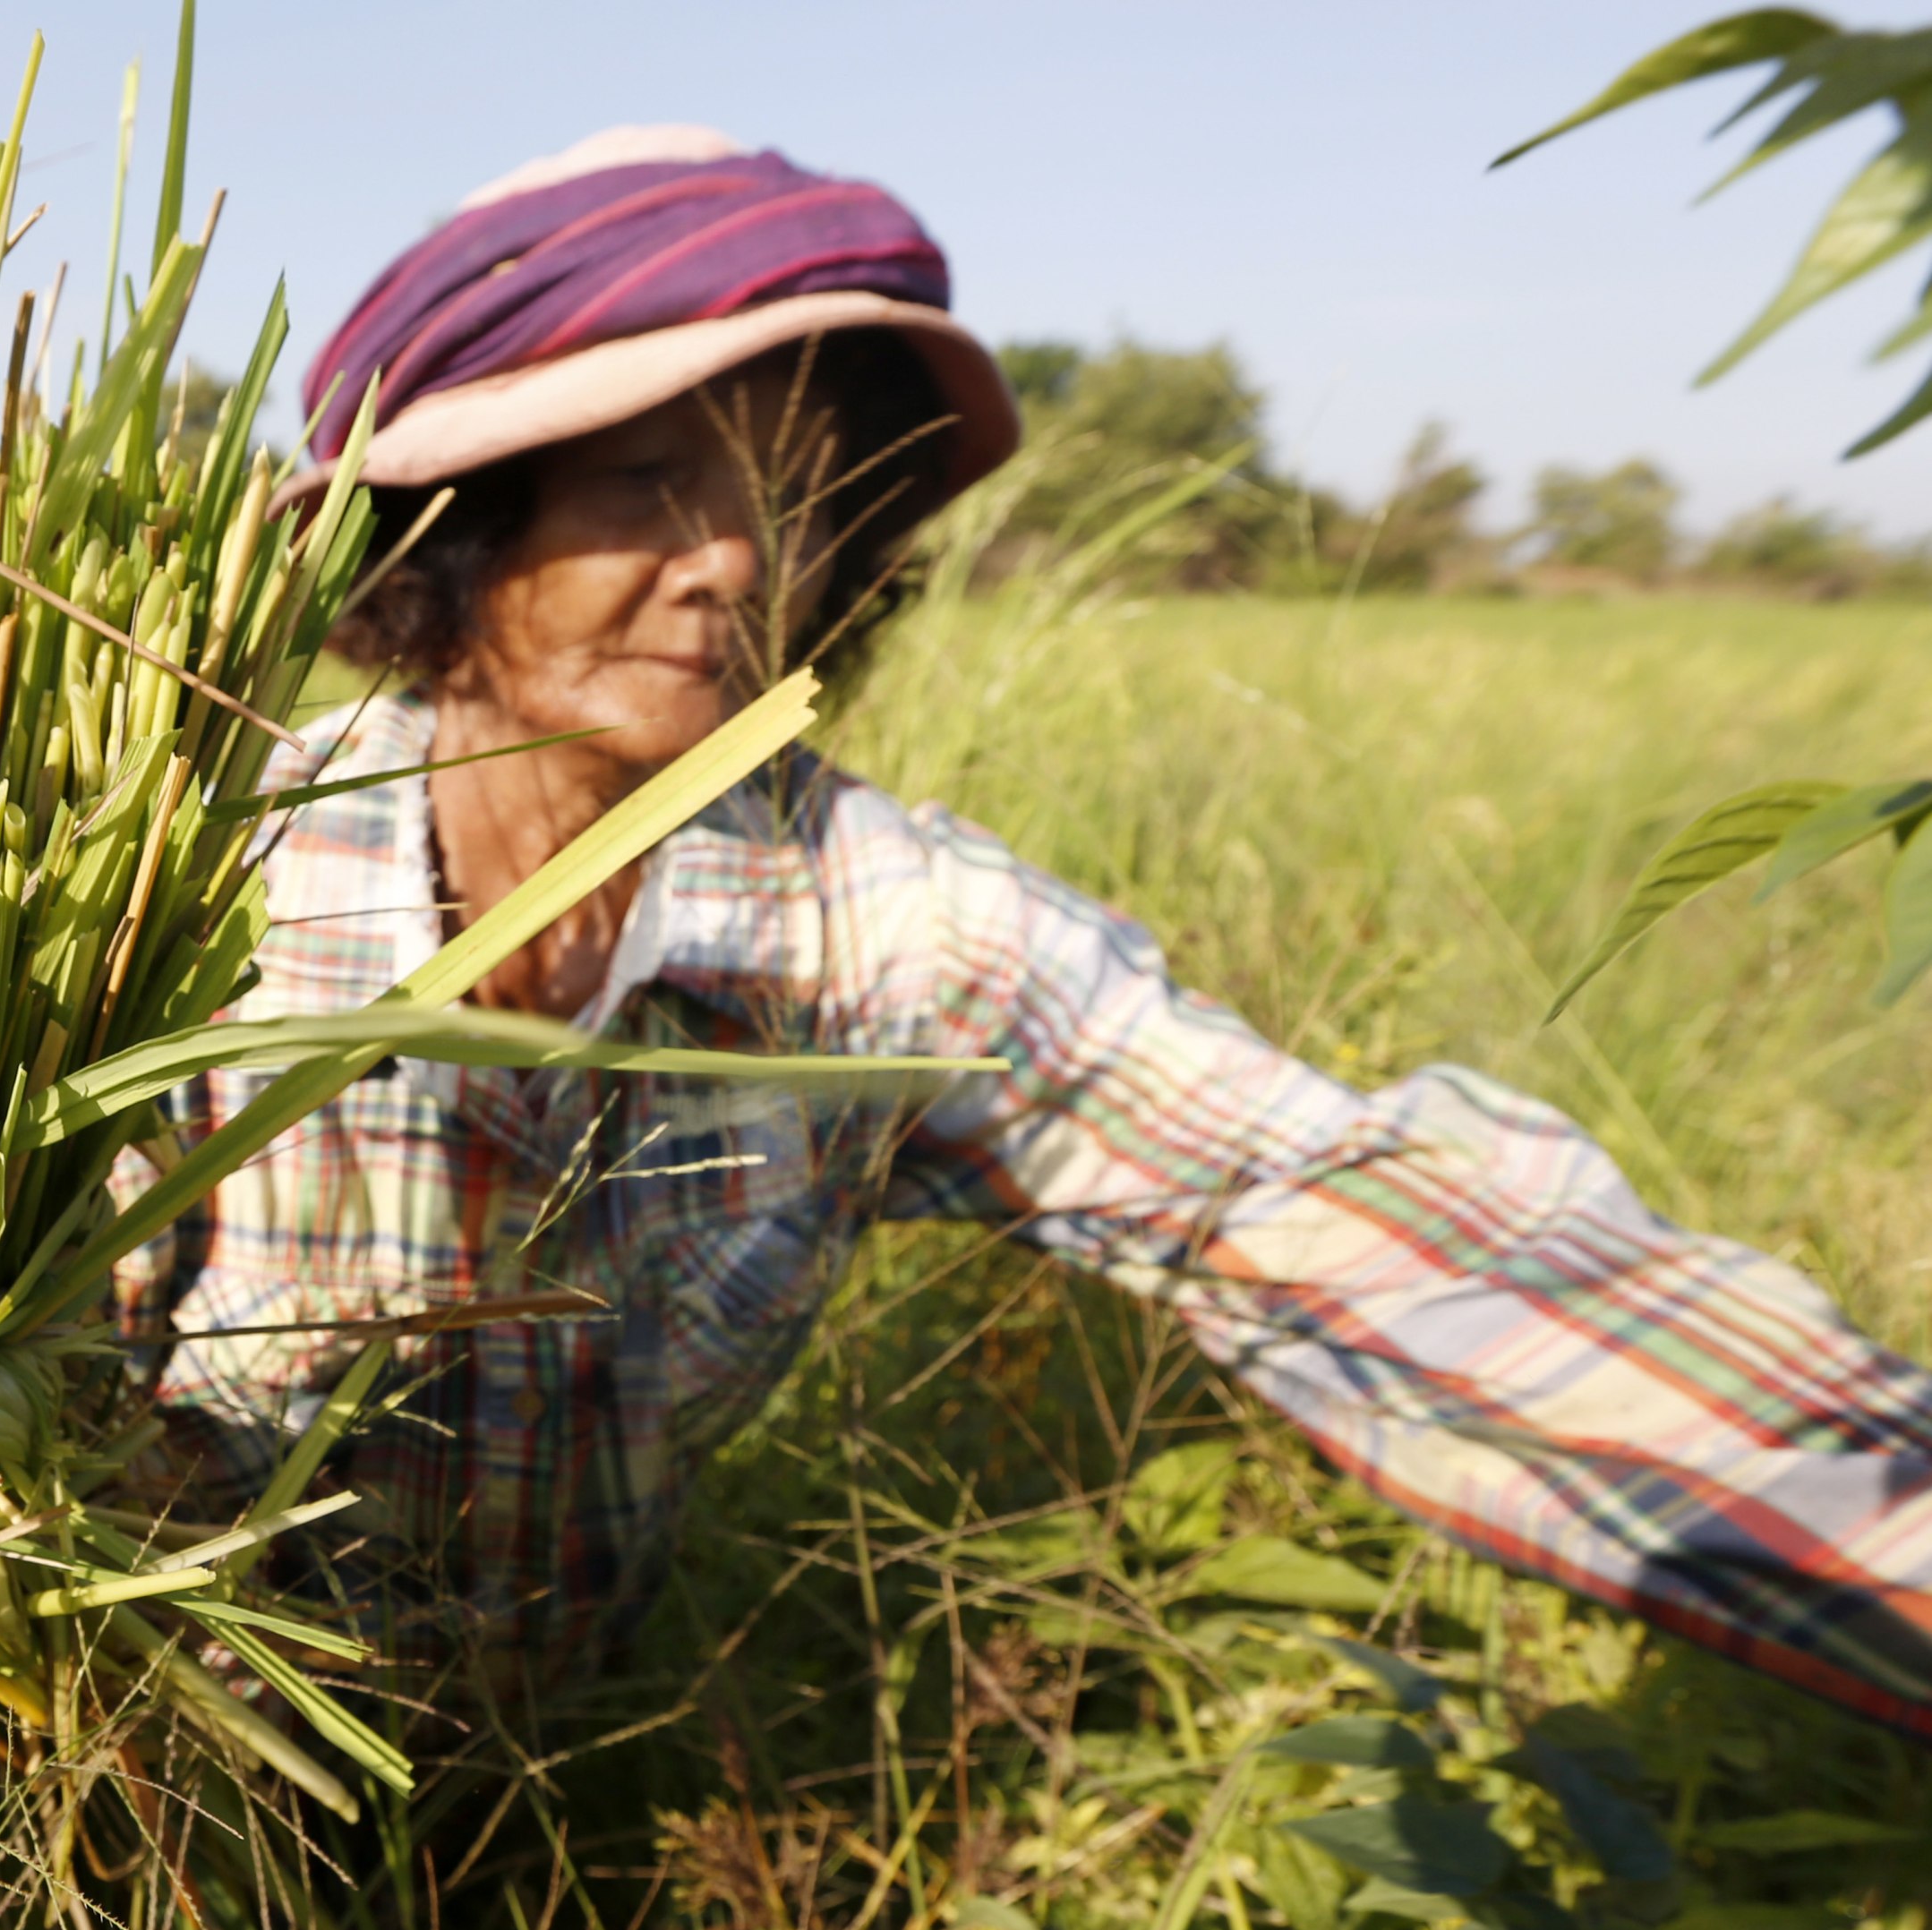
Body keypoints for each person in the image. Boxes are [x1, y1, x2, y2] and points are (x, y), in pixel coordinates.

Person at [118, 126, 1932, 1735]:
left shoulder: (880, 932)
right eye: (644, 483)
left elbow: (1342, 1218)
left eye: (791, 495)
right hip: (124, 1802)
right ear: (459, 532)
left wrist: (1888, 1524)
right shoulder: (190, 884)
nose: (735, 562)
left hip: (550, 1814)